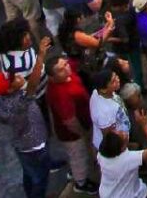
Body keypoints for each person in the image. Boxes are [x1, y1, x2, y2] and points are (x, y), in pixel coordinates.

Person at [0, 36, 53, 198]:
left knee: (29, 173)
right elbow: (32, 85)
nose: (20, 77)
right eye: (16, 79)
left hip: (21, 145)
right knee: (40, 178)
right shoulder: (19, 102)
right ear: (10, 90)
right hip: (34, 145)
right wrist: (40, 56)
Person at [45, 54, 100, 195]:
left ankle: (76, 172)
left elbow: (76, 61)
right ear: (52, 77)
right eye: (61, 69)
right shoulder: (60, 94)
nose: (66, 67)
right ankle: (81, 182)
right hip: (72, 134)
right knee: (78, 156)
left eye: (65, 64)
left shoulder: (67, 76)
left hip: (84, 123)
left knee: (78, 154)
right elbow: (69, 121)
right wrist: (83, 133)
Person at [98, 109, 147, 198]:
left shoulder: (101, 154)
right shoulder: (127, 159)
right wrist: (146, 126)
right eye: (123, 135)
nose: (124, 132)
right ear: (122, 148)